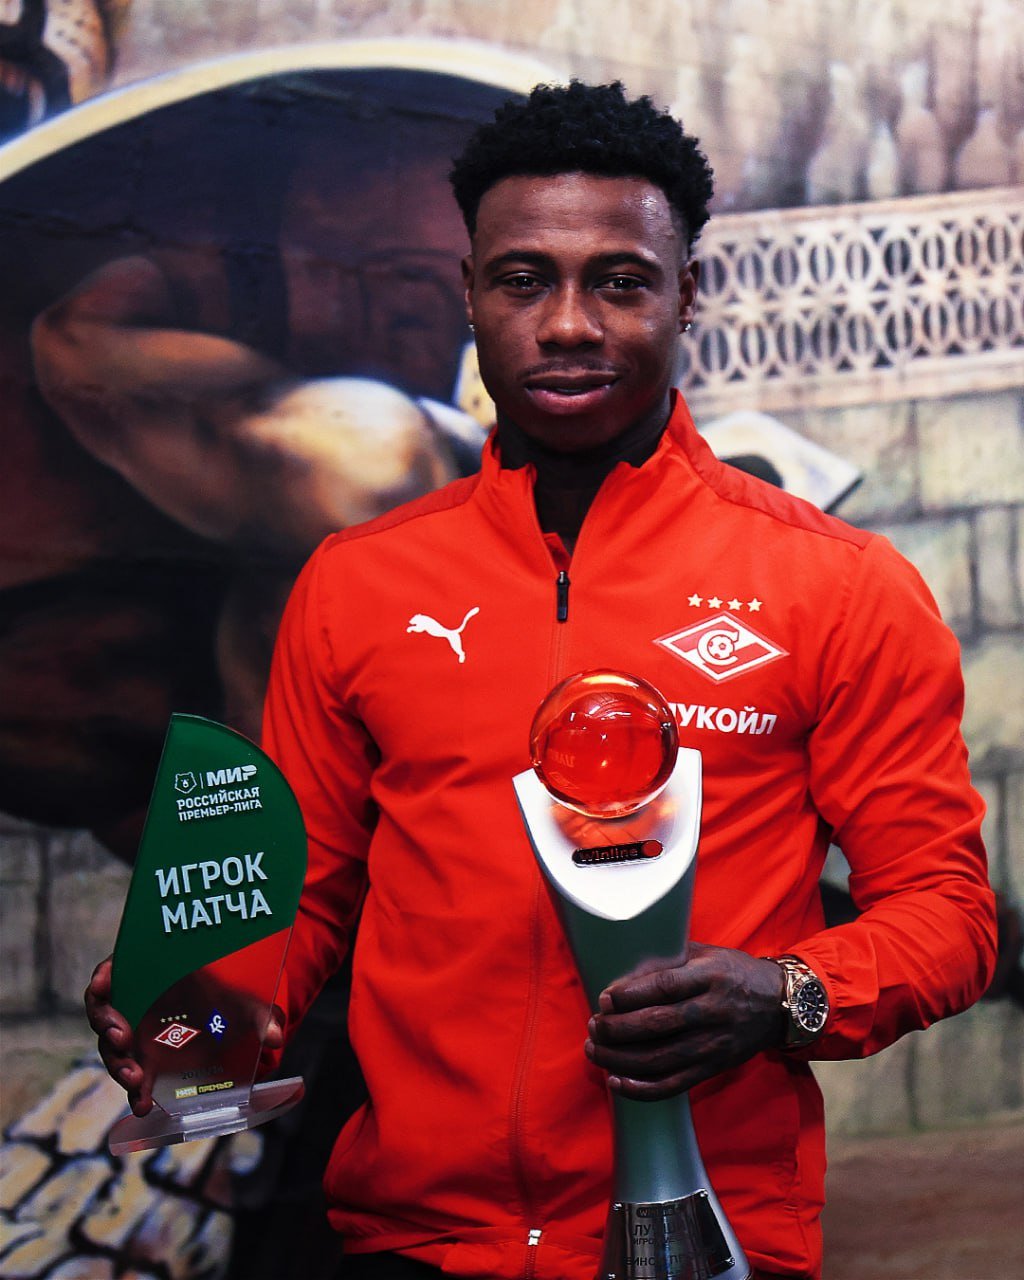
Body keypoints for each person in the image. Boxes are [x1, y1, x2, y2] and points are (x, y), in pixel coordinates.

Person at [86, 81, 997, 1280]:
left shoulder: (834, 583)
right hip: (408, 1242)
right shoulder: (356, 581)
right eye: (523, 280)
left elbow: (946, 911)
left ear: (686, 295)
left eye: (619, 281)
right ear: (469, 292)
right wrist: (198, 1001)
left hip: (705, 1231)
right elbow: (298, 898)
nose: (567, 323)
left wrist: (787, 991)